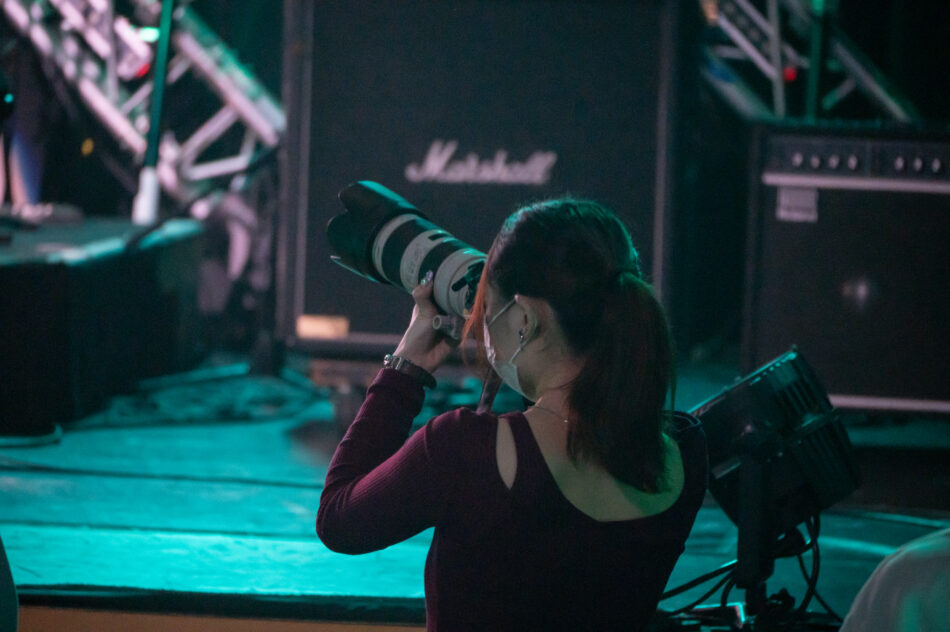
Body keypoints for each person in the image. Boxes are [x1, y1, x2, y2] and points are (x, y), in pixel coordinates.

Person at [317, 198, 708, 631]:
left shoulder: (465, 451)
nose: (480, 320)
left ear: (524, 318)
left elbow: (338, 520)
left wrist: (404, 369)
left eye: (488, 306)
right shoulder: (684, 453)